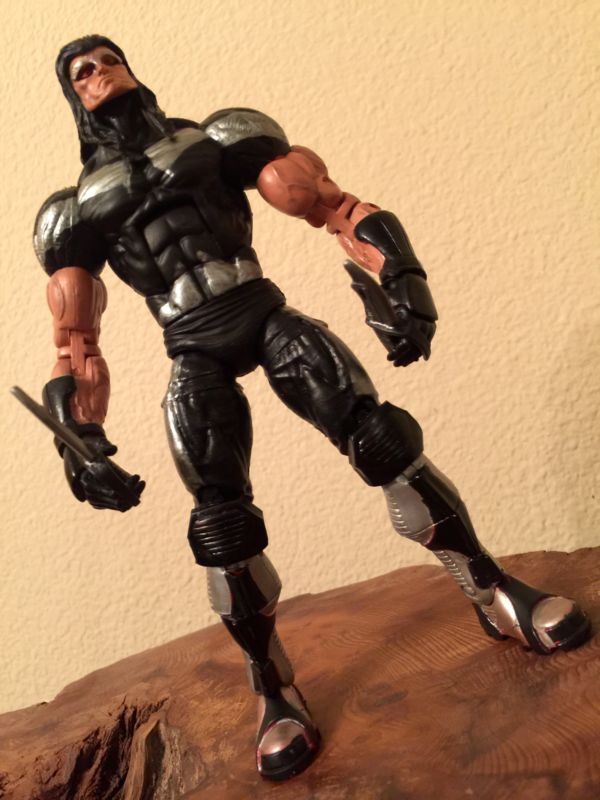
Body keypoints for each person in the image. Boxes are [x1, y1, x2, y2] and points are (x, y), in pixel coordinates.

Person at [34, 34, 590, 781]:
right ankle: (273, 688)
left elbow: (332, 204)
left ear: (130, 68)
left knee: (383, 439)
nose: (98, 73)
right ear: (73, 95)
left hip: (259, 309)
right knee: (220, 523)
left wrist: (402, 280)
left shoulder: (213, 140)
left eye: (106, 59)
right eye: (81, 71)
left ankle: (491, 590)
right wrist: (79, 436)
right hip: (190, 344)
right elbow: (75, 341)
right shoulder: (76, 210)